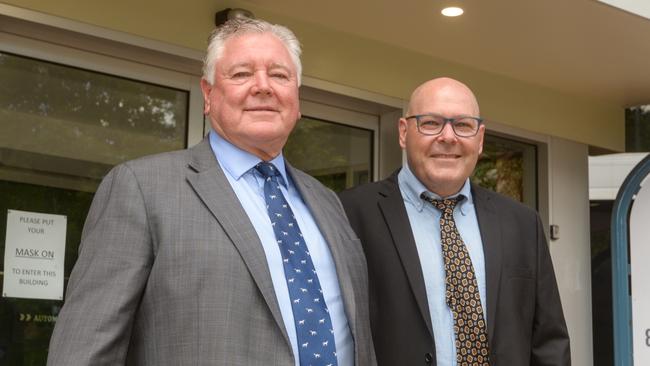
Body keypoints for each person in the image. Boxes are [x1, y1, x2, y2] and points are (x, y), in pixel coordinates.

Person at [47, 18, 375, 366]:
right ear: (208, 95)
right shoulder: (142, 188)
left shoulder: (327, 202)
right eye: (241, 74)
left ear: (297, 97)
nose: (263, 87)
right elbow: (85, 350)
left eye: (279, 75)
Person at [339, 77, 570, 366]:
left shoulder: (522, 223)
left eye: (463, 125)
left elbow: (549, 342)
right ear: (403, 132)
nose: (448, 137)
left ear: (480, 138)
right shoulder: (347, 214)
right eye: (431, 123)